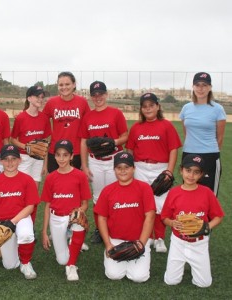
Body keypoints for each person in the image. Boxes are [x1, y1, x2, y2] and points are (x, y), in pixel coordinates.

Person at [125, 92, 182, 253]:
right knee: (144, 203)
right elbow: (129, 149)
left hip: (160, 168)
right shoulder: (136, 127)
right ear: (141, 109)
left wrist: (169, 171)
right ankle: (148, 236)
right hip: (141, 167)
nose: (148, 109)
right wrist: (130, 169)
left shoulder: (166, 125)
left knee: (161, 205)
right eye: (145, 106)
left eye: (151, 105)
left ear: (158, 106)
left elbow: (173, 149)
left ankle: (160, 238)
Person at [161, 154, 225, 288]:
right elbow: (164, 217)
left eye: (196, 172)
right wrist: (172, 223)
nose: (191, 175)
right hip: (178, 242)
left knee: (204, 283)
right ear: (181, 170)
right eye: (188, 170)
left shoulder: (206, 192)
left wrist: (207, 227)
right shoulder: (174, 192)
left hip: (199, 243)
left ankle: (196, 264)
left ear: (201, 175)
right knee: (171, 281)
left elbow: (218, 216)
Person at [79, 81, 129, 244]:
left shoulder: (116, 113)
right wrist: (85, 165)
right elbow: (84, 142)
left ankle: (117, 227)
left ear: (106, 95)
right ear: (91, 97)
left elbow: (125, 136)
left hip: (115, 159)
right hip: (96, 162)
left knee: (118, 195)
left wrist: (113, 142)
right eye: (95, 95)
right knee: (98, 197)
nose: (98, 97)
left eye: (101, 94)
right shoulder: (88, 116)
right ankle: (100, 229)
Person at [94, 152, 155, 283]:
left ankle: (138, 258)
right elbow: (102, 218)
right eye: (119, 168)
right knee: (113, 275)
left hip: (138, 240)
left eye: (127, 167)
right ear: (114, 169)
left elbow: (150, 217)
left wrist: (141, 244)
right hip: (116, 240)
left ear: (134, 168)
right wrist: (108, 244)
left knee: (139, 277)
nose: (123, 171)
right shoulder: (108, 190)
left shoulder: (144, 188)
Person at [0, 144, 39, 279]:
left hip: (21, 218)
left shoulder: (27, 180)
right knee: (10, 265)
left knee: (26, 234)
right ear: (0, 161)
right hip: (2, 223)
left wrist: (12, 222)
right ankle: (17, 250)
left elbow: (30, 206)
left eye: (13, 159)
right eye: (6, 159)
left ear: (20, 160)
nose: (10, 162)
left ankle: (26, 263)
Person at [40, 140, 91, 281]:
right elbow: (47, 206)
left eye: (65, 155)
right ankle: (72, 241)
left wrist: (78, 212)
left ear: (71, 156)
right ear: (54, 156)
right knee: (61, 260)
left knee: (78, 220)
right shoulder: (51, 178)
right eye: (58, 155)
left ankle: (72, 266)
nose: (61, 159)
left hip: (72, 216)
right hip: (56, 218)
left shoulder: (80, 176)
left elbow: (85, 204)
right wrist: (44, 232)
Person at [179, 72, 226, 196]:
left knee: (209, 195)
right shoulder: (186, 108)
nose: (200, 88)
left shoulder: (218, 109)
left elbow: (220, 138)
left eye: (204, 85)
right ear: (193, 87)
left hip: (210, 156)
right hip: (188, 154)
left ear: (210, 87)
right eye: (197, 85)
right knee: (188, 193)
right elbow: (186, 132)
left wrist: (209, 150)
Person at [10, 85, 52, 224]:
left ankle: (30, 225)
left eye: (42, 97)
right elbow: (13, 139)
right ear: (29, 98)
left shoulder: (44, 118)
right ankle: (19, 223)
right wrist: (26, 147)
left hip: (38, 159)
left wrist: (45, 163)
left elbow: (45, 142)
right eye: (37, 96)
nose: (40, 99)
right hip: (24, 159)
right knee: (21, 194)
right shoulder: (21, 117)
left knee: (34, 196)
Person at [42, 71, 91, 173]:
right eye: (61, 85)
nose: (64, 87)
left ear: (74, 84)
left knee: (74, 186)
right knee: (55, 185)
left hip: (76, 152)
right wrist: (25, 115)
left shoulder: (82, 102)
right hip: (55, 152)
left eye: (67, 84)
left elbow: (89, 125)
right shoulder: (51, 102)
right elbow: (41, 120)